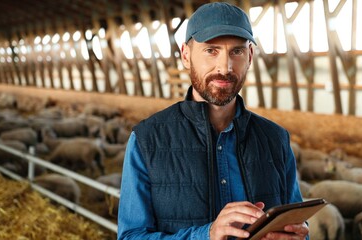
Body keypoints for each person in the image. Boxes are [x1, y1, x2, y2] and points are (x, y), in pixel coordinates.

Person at [117, 2, 308, 240]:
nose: (225, 67)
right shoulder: (147, 140)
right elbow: (130, 236)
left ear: (249, 56)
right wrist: (205, 235)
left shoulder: (275, 139)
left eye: (236, 51)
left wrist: (297, 235)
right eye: (211, 50)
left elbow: (296, 224)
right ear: (186, 55)